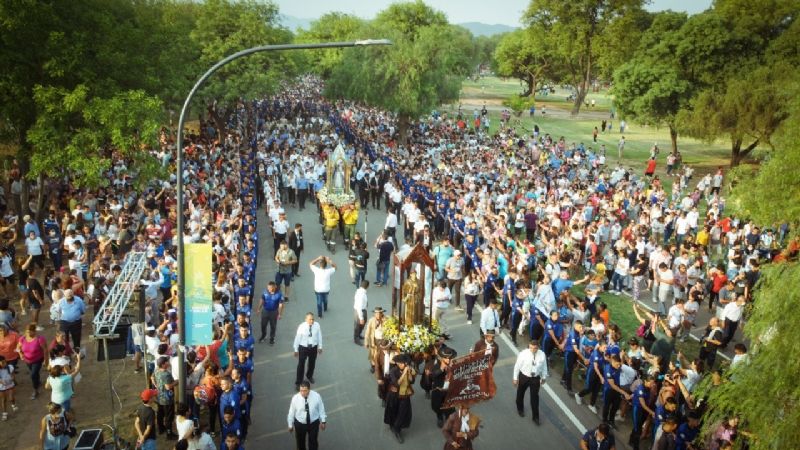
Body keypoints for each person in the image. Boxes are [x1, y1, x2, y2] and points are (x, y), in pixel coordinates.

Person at [513, 340, 548, 425]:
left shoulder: (542, 354)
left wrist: (544, 377)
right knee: (520, 394)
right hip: (524, 376)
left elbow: (544, 366)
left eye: (535, 348)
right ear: (529, 346)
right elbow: (517, 366)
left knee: (535, 398)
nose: (533, 350)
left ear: (538, 347)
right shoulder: (523, 354)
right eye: (531, 347)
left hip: (535, 378)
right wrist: (515, 378)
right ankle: (520, 409)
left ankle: (535, 417)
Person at [384, 353, 416, 443]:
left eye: (403, 363)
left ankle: (397, 430)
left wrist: (409, 373)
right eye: (399, 363)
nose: (401, 365)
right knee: (393, 410)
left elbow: (412, 381)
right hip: (394, 394)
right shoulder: (393, 371)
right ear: (397, 363)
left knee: (403, 412)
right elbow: (396, 384)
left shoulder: (409, 370)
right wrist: (404, 374)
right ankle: (392, 424)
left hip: (405, 394)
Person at [287, 380, 327, 450]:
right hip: (300, 424)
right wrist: (290, 424)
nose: (302, 393)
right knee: (300, 443)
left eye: (305, 390)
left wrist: (323, 421)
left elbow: (321, 408)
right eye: (301, 390)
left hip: (313, 423)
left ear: (309, 389)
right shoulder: (295, 398)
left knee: (313, 442)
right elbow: (291, 412)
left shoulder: (316, 396)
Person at [17, 322, 48, 399]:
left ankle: (35, 390)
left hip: (38, 359)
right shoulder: (22, 339)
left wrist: (46, 360)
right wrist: (20, 354)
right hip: (27, 360)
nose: (29, 333)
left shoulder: (40, 339)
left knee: (33, 374)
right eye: (27, 331)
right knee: (34, 373)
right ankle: (38, 381)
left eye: (30, 331)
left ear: (34, 331)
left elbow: (45, 350)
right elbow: (18, 347)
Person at [293, 313, 323, 389]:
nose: (312, 321)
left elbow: (319, 336)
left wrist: (320, 346)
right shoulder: (302, 327)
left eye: (313, 319)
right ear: (306, 319)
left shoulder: (317, 325)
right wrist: (296, 349)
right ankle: (298, 382)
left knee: (312, 363)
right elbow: (297, 338)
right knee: (301, 364)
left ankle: (309, 376)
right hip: (303, 347)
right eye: (310, 319)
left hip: (313, 347)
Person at [151, 355, 178, 439]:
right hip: (167, 399)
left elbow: (151, 377)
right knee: (169, 416)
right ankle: (169, 433)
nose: (168, 362)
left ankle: (161, 429)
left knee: (160, 414)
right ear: (163, 364)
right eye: (167, 361)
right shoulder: (166, 374)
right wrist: (177, 382)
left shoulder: (156, 370)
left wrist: (156, 385)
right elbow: (168, 387)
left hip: (159, 397)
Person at [54, 289, 86, 357]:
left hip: (76, 322)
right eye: (68, 297)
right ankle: (65, 353)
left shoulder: (79, 300)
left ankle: (77, 352)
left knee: (76, 338)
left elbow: (83, 310)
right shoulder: (61, 301)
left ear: (73, 295)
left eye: (71, 297)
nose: (70, 298)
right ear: (64, 296)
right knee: (64, 338)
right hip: (64, 322)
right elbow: (58, 311)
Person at [430, 346, 456, 428]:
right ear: (441, 358)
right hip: (438, 390)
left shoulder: (452, 364)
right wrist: (441, 369)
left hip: (449, 390)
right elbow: (433, 376)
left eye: (449, 358)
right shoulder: (436, 365)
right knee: (438, 405)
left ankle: (449, 419)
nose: (448, 360)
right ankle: (439, 417)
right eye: (446, 358)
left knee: (449, 407)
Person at [256, 281, 284, 345]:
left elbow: (281, 305)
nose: (269, 289)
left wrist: (280, 314)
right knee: (263, 325)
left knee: (273, 326)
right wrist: (258, 309)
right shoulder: (265, 292)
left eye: (271, 288)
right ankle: (263, 335)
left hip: (274, 312)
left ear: (275, 287)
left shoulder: (279, 294)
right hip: (265, 311)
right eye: (268, 287)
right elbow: (262, 300)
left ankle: (272, 338)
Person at [363, 307, 386, 373]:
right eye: (376, 314)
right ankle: (373, 366)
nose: (378, 315)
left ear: (382, 313)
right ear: (374, 314)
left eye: (379, 313)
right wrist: (366, 342)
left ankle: (380, 366)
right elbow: (367, 332)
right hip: (374, 340)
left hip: (383, 340)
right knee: (373, 354)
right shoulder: (371, 320)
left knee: (382, 354)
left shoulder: (385, 320)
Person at [0, 355, 17, 421]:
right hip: (2, 387)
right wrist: (2, 382)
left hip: (10, 385)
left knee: (11, 398)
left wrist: (12, 379)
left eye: (5, 362)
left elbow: (13, 375)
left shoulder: (10, 367)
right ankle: (4, 413)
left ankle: (13, 404)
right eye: (2, 362)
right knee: (3, 400)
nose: (4, 364)